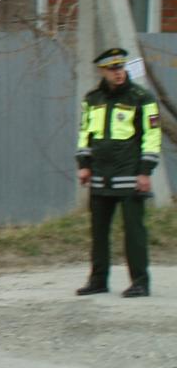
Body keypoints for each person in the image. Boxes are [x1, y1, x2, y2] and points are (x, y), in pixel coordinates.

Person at [75, 47, 160, 297]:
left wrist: (145, 172)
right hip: (100, 175)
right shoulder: (92, 99)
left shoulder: (141, 97)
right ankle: (98, 280)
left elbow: (152, 136)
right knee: (98, 232)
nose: (118, 73)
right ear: (102, 71)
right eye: (112, 69)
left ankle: (140, 282)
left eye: (121, 67)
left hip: (131, 176)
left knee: (134, 232)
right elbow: (85, 134)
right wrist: (84, 166)